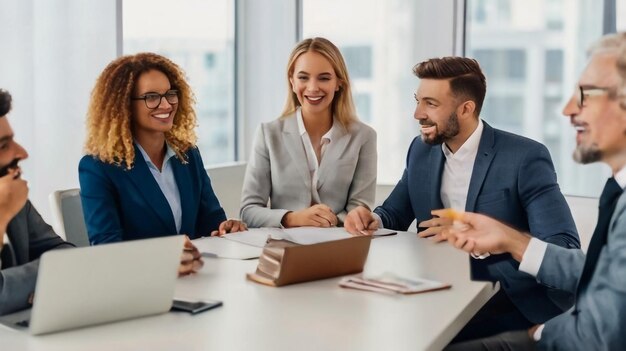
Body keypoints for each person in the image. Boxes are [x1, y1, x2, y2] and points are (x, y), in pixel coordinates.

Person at [344, 56, 580, 340]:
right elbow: (395, 213)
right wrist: (373, 218)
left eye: (430, 104)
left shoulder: (524, 158)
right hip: (431, 294)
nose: (417, 114)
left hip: (505, 304)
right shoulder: (421, 150)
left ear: (466, 108)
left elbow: (564, 248)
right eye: (417, 100)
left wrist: (479, 240)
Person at [440, 32, 626, 350]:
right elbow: (602, 275)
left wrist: (537, 334)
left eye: (586, 94)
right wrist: (513, 240)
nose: (568, 109)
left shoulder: (524, 156)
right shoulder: (619, 192)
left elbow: (599, 338)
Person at [79, 53, 246, 274]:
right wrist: (163, 258)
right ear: (124, 105)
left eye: (170, 94)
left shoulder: (187, 155)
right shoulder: (98, 167)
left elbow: (211, 222)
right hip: (141, 288)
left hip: (195, 279)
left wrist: (227, 228)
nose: (166, 104)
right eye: (151, 97)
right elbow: (106, 249)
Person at [240, 37, 377, 228]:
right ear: (292, 81)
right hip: (284, 248)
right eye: (303, 77)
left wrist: (327, 221)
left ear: (338, 82)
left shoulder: (364, 137)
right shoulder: (268, 134)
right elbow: (248, 210)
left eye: (324, 78)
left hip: (339, 246)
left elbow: (360, 207)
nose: (313, 88)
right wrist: (292, 218)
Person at [0, 89, 74, 315]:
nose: (21, 153)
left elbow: (68, 257)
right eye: (3, 145)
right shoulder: (8, 202)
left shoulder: (14, 198)